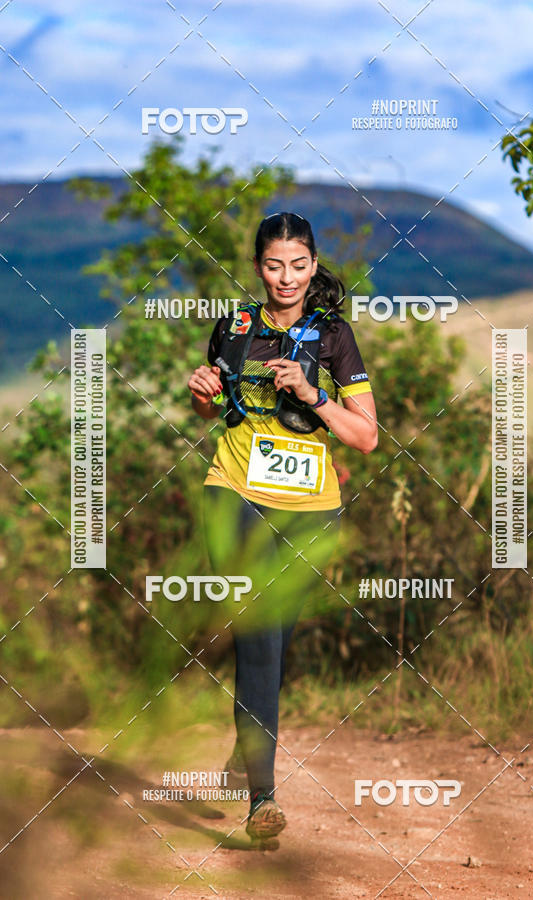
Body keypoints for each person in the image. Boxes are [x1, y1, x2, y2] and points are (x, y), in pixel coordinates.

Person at [188, 211, 377, 846]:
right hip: (235, 489)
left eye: (298, 266)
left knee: (270, 640)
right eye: (274, 266)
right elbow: (211, 405)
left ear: (314, 266)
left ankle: (246, 750)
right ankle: (262, 800)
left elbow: (367, 437)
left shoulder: (334, 337)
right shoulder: (236, 327)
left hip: (309, 504)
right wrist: (202, 389)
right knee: (259, 627)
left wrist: (315, 394)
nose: (286, 278)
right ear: (257, 267)